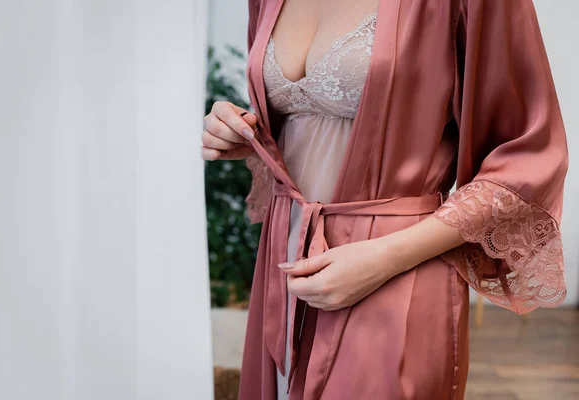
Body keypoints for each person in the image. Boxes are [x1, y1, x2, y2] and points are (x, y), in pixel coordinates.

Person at [201, 0, 569, 398]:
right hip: (285, 256)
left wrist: (384, 258)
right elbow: (308, 124)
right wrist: (243, 131)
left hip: (396, 266)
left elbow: (528, 160)